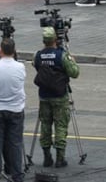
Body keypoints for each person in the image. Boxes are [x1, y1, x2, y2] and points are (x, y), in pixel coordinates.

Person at [33, 26, 80, 168]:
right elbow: (74, 72)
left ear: (43, 40)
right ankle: (60, 158)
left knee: (45, 126)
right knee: (60, 125)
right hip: (60, 96)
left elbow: (36, 67)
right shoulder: (62, 55)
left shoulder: (38, 55)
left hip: (44, 96)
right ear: (55, 39)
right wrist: (72, 61)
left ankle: (47, 157)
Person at [0, 38, 26, 182]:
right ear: (14, 51)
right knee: (15, 143)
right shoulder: (20, 67)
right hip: (15, 109)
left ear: (0, 51)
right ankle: (17, 174)